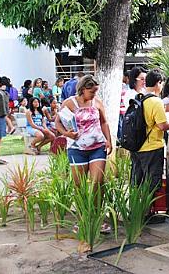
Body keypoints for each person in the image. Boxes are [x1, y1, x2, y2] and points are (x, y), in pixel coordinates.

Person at [55, 75, 112, 233]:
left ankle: (97, 218)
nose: (94, 95)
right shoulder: (70, 103)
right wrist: (67, 134)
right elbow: (57, 122)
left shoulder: (97, 103)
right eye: (91, 92)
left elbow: (103, 121)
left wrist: (109, 140)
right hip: (77, 148)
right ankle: (82, 219)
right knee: (79, 186)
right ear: (83, 89)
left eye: (95, 92)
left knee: (97, 183)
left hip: (97, 146)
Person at [129, 69, 169, 223]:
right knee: (152, 182)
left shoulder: (137, 98)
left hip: (136, 147)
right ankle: (147, 214)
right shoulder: (155, 101)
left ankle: (136, 212)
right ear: (158, 83)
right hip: (152, 147)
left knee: (137, 181)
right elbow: (161, 125)